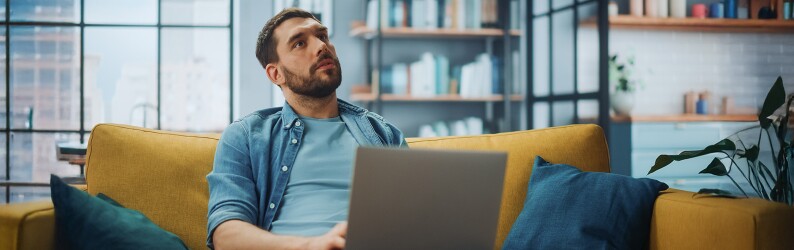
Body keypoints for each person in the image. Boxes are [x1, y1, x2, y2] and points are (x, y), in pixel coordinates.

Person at [206, 8, 406, 250]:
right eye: (300, 43)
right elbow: (226, 237)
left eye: (322, 36)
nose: (321, 46)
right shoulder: (246, 136)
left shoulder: (383, 133)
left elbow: (417, 216)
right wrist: (313, 245)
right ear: (275, 73)